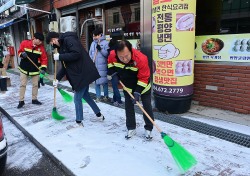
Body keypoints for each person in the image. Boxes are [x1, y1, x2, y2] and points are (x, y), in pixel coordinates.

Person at [46, 31, 105, 128]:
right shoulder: (61, 47)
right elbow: (66, 66)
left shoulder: (69, 39)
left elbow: (76, 53)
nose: (52, 45)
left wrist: (60, 56)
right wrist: (57, 79)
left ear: (54, 39)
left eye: (51, 43)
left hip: (83, 73)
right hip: (80, 74)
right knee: (86, 96)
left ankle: (79, 121)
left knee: (77, 98)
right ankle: (99, 115)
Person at [108, 40, 154, 140]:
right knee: (128, 107)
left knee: (147, 107)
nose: (124, 59)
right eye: (121, 57)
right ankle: (131, 127)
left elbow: (144, 77)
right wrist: (113, 74)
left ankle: (149, 128)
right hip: (127, 86)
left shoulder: (141, 58)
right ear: (116, 53)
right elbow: (110, 65)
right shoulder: (112, 55)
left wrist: (137, 92)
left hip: (143, 86)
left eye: (127, 56)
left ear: (131, 51)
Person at [17, 32, 48, 108]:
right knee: (23, 84)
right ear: (34, 38)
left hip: (35, 69)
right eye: (39, 41)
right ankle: (21, 101)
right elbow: (19, 52)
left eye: (41, 41)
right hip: (24, 68)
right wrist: (22, 54)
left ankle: (34, 99)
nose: (40, 43)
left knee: (35, 85)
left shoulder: (41, 48)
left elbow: (44, 59)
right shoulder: (25, 43)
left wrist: (43, 68)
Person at [89, 29, 109, 102]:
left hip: (103, 66)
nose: (94, 37)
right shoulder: (92, 44)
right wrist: (91, 60)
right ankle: (98, 97)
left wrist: (100, 49)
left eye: (96, 36)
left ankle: (106, 96)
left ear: (100, 35)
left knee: (104, 82)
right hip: (95, 66)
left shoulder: (106, 43)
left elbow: (107, 54)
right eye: (93, 36)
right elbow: (90, 53)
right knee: (96, 82)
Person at [107, 39, 122, 106]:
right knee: (115, 86)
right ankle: (114, 99)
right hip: (119, 71)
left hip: (113, 72)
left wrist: (109, 74)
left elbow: (110, 65)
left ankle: (119, 100)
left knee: (115, 87)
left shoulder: (111, 52)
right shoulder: (118, 51)